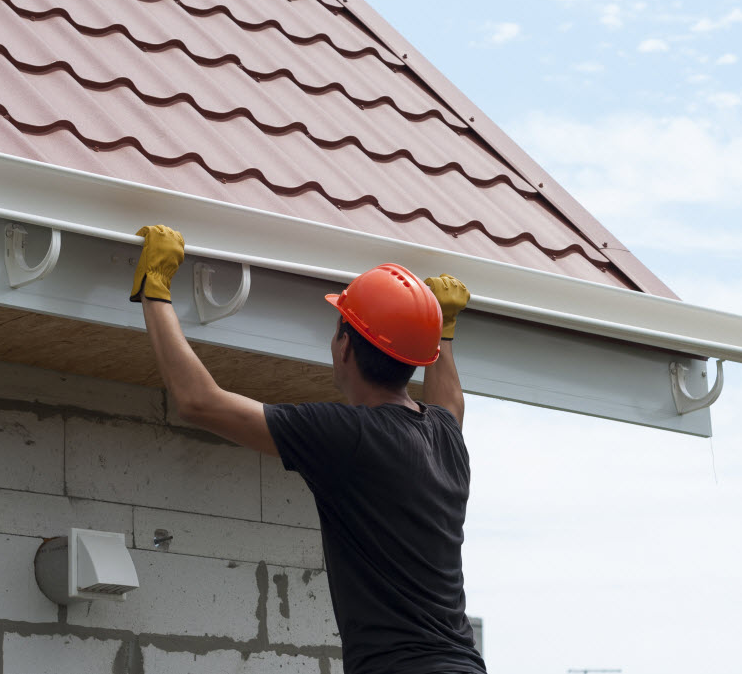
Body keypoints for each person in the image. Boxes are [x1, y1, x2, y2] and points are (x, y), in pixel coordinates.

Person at [132, 224, 487, 674]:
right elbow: (449, 401)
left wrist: (155, 289)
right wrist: (444, 329)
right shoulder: (444, 436)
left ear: (345, 347)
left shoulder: (350, 436)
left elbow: (199, 402)